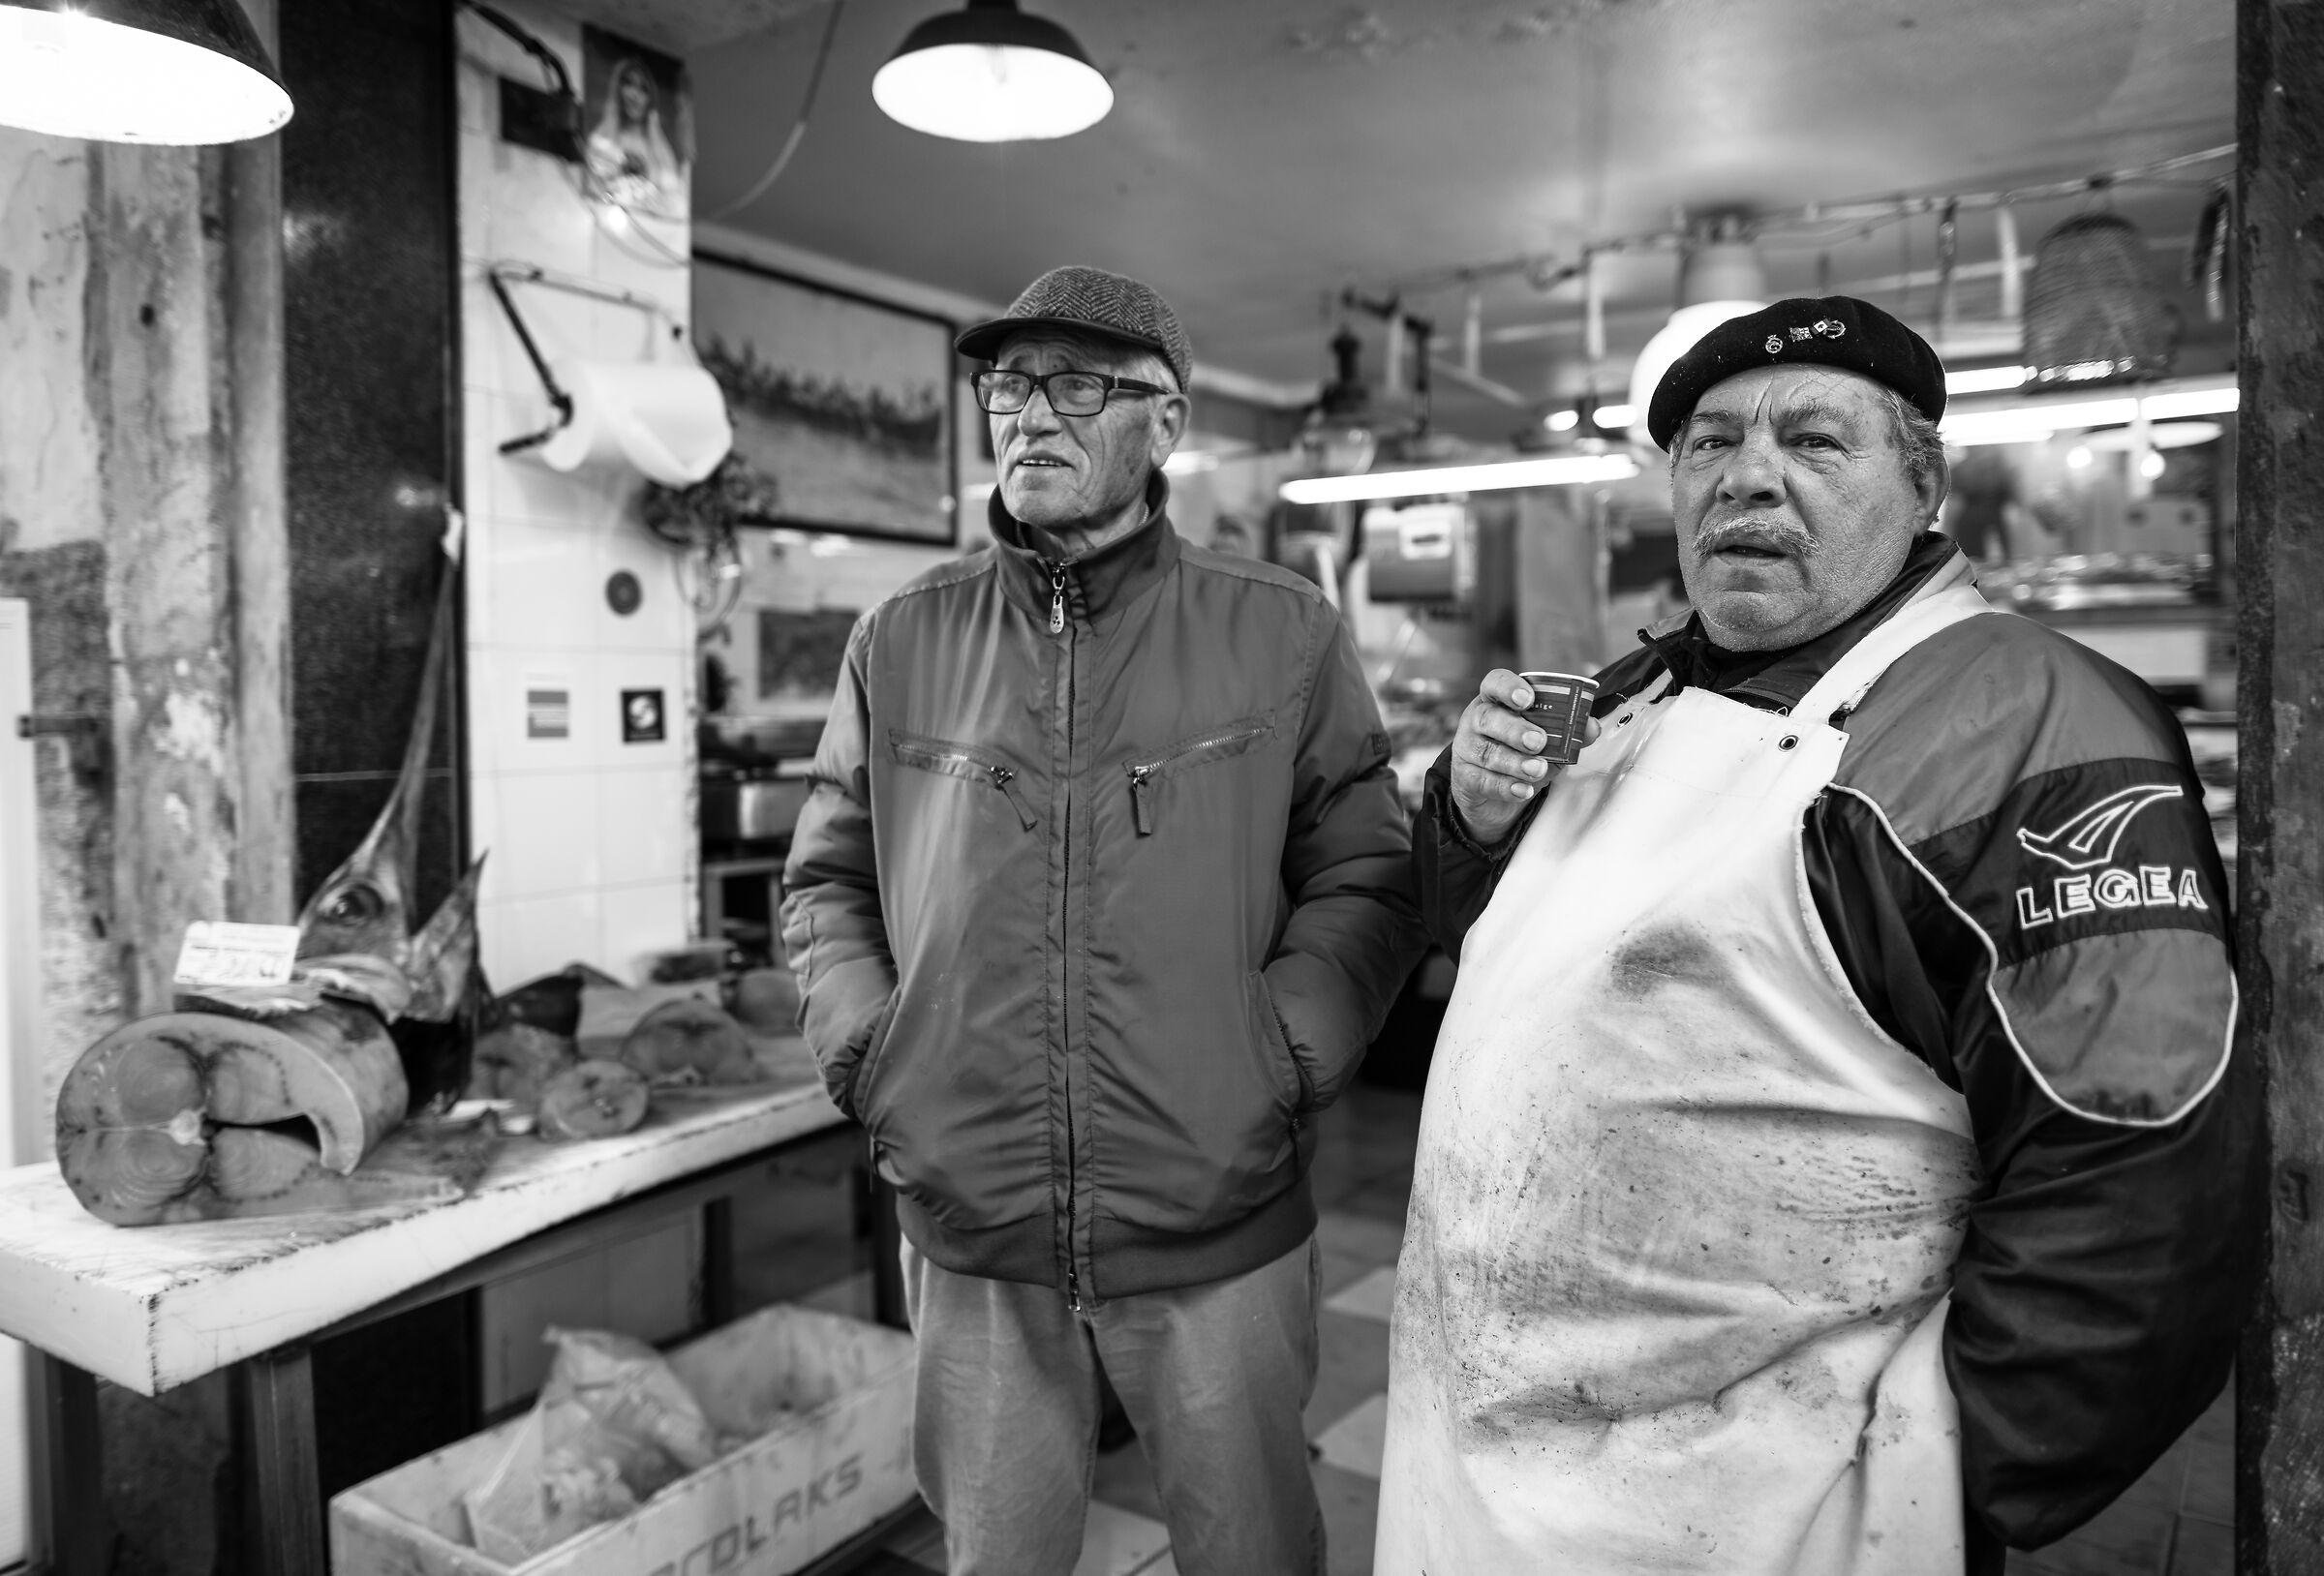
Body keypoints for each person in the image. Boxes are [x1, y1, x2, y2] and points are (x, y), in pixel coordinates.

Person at [1376, 296, 2258, 1576]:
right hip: (1479, 1467)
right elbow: (1482, 936)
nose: (1747, 476)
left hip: (1769, 1516)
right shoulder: (1635, 694)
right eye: (1710, 442)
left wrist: (1927, 1477)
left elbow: (2142, 1175)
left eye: (1814, 440)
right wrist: (1467, 814)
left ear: (1923, 485)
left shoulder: (2021, 720)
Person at [782, 264, 1425, 1576]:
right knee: (996, 1557)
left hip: (1216, 1207)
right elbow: (827, 879)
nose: (1031, 414)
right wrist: (874, 1055)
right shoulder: (900, 638)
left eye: (1076, 385)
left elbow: (1366, 871)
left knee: (1251, 1553)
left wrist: (1278, 1060)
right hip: (973, 1213)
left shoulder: (1282, 631)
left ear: (1165, 422)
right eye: (1009, 385)